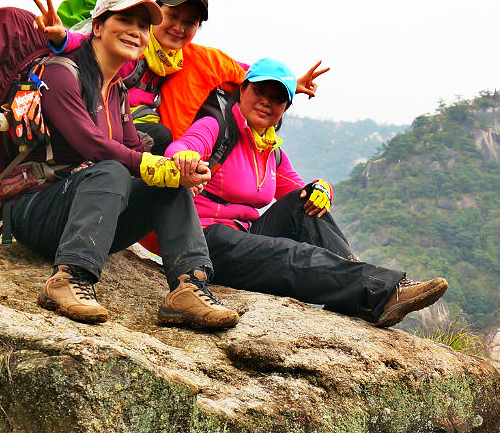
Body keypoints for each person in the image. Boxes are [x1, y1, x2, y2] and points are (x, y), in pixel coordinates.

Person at [2, 0, 237, 330]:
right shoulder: (59, 72)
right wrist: (152, 165)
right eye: (124, 20)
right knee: (112, 169)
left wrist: (179, 173)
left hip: (87, 215)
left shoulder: (117, 90)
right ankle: (69, 278)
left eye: (143, 26)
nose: (135, 31)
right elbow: (91, 143)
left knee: (166, 184)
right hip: (35, 209)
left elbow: (136, 151)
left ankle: (190, 287)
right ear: (97, 26)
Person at [163, 58, 447, 327]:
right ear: (242, 89)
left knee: (306, 202)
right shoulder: (218, 126)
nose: (266, 102)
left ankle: (360, 291)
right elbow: (184, 145)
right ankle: (379, 290)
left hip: (244, 237)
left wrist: (323, 188)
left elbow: (300, 195)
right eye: (259, 91)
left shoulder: (271, 152)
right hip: (207, 240)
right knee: (292, 254)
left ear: (285, 107)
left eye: (277, 98)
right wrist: (185, 158)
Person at [32, 0, 328, 147]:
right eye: (172, 16)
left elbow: (243, 71)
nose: (179, 28)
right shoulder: (132, 42)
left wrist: (291, 83)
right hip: (97, 119)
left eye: (190, 22)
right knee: (161, 136)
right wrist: (60, 37)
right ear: (156, 12)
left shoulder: (187, 57)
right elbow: (88, 45)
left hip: (133, 128)